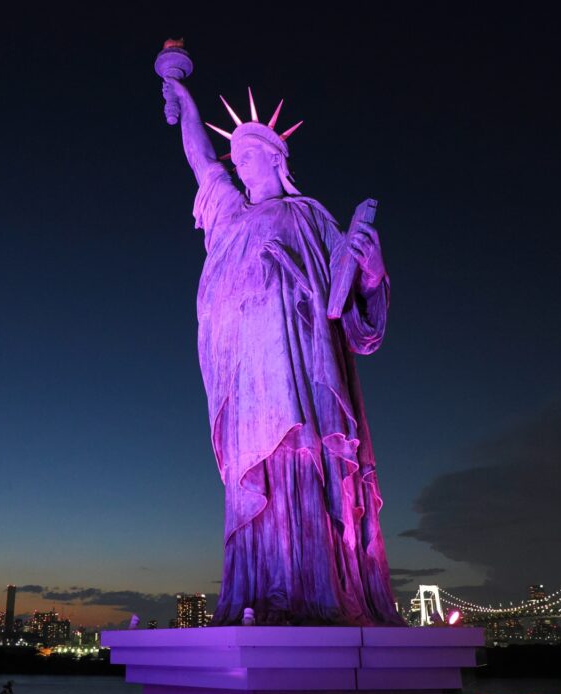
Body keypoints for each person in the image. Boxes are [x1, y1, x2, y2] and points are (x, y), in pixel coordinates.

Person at [162, 78, 402, 625]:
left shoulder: (310, 217)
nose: (239, 166)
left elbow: (353, 310)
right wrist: (182, 94)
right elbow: (202, 161)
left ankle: (313, 589)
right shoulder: (229, 216)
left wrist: (372, 271)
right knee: (256, 472)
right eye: (236, 158)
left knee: (299, 458)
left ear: (275, 158)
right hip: (244, 372)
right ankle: (260, 588)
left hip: (300, 367)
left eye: (247, 155)